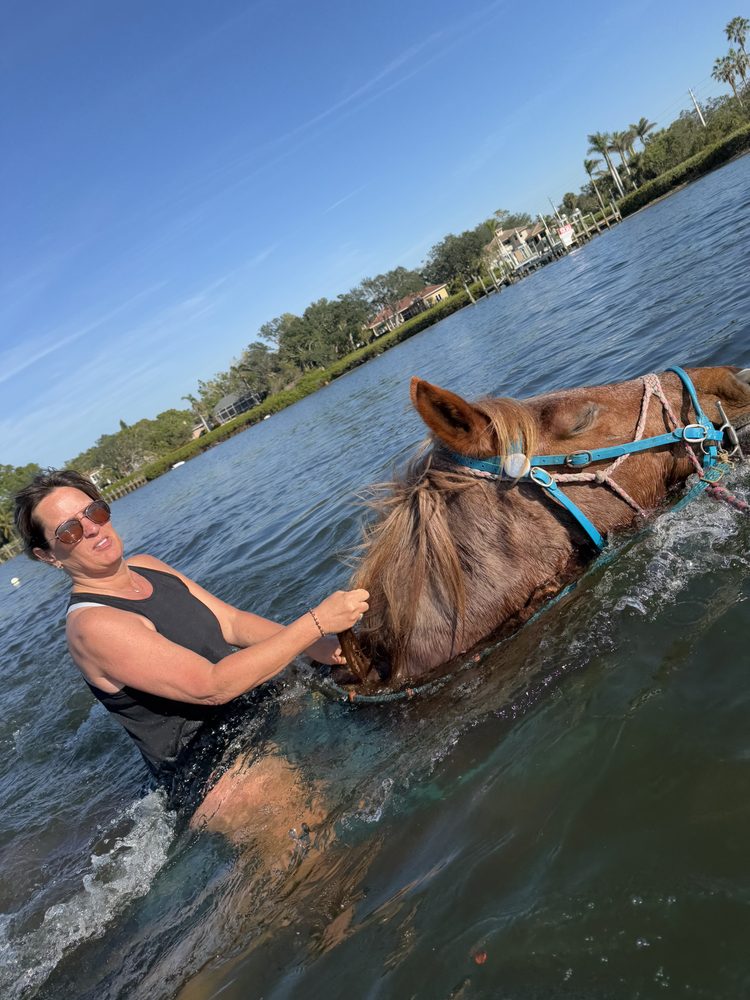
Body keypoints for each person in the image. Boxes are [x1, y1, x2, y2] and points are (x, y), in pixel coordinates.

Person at [14, 469, 369, 843]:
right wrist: (315, 623)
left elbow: (232, 622)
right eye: (68, 531)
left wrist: (317, 647)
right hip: (217, 768)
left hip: (252, 711)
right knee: (327, 845)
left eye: (95, 512)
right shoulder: (93, 625)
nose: (91, 529)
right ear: (48, 555)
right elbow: (211, 687)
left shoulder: (148, 566)